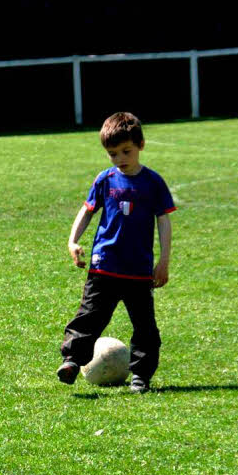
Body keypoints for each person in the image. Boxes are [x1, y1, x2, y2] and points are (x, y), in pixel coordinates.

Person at [57, 112, 176, 394]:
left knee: (145, 328)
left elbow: (164, 221)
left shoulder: (153, 182)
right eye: (112, 154)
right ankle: (72, 361)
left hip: (138, 269)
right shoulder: (105, 179)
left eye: (126, 151)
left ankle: (141, 377)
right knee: (88, 317)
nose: (120, 158)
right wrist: (73, 241)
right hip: (104, 266)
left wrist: (164, 261)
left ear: (141, 145)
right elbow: (87, 211)